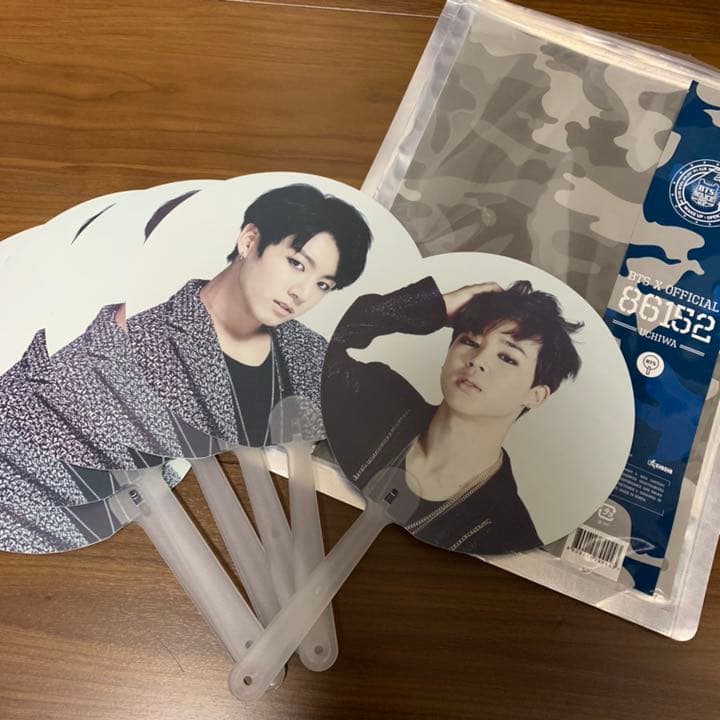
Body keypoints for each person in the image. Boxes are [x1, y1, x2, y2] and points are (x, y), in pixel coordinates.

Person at [321, 275, 583, 556]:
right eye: (470, 341)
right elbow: (303, 346)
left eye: (507, 358)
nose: (477, 360)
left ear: (535, 395)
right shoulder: (375, 394)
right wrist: (433, 307)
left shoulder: (509, 534)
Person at [125, 184, 373, 452]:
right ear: (249, 241)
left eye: (323, 285)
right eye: (297, 263)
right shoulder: (144, 338)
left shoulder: (313, 352)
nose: (302, 293)